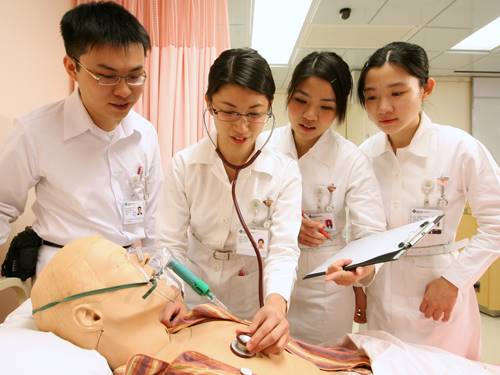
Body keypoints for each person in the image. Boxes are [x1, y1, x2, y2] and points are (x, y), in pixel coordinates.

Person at [30, 236, 370, 373]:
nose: (145, 257)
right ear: (91, 315)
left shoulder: (184, 323)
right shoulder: (170, 368)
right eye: (125, 262)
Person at [353, 41, 500, 359]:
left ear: (426, 88)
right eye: (372, 97)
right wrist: (360, 286)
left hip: (438, 294)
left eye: (397, 93)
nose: (383, 108)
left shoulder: (460, 148)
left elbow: (497, 223)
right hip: (381, 291)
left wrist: (453, 281)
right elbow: (364, 231)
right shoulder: (366, 155)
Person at [156, 48, 302, 355]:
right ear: (209, 103)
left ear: (269, 107)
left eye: (254, 113)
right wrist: (174, 291)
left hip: (252, 296)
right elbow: (170, 242)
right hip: (193, 289)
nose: (242, 126)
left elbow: (283, 249)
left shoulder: (284, 171)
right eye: (229, 111)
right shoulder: (185, 165)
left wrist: (276, 304)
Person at [0, 2, 163, 275]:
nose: (124, 91)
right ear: (72, 68)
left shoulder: (144, 134)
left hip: (129, 271)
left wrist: (159, 276)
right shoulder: (36, 131)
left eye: (135, 76)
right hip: (63, 271)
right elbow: (2, 205)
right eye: (107, 76)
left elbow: (154, 222)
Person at [259, 51, 386, 345]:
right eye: (301, 101)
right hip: (266, 283)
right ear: (287, 95)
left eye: (325, 107)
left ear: (340, 111)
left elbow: (371, 231)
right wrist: (283, 225)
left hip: (324, 291)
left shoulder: (350, 159)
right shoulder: (262, 145)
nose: (310, 115)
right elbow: (238, 208)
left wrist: (361, 269)